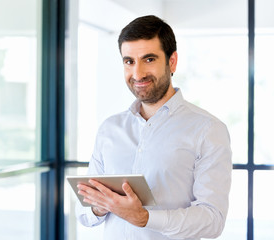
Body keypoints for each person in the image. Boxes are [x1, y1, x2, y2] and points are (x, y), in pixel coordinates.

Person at [75, 15, 232, 240]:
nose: (137, 74)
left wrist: (144, 218)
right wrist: (101, 206)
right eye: (129, 61)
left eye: (149, 59)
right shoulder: (110, 129)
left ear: (172, 62)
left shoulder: (208, 130)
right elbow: (84, 212)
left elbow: (212, 220)